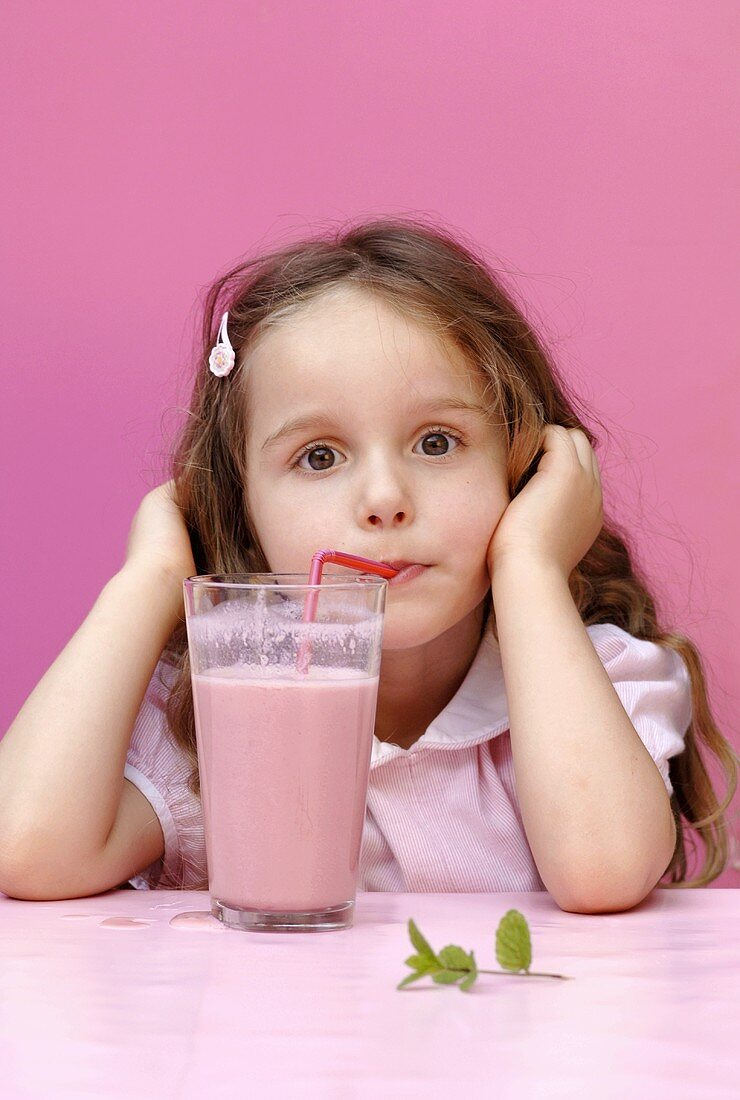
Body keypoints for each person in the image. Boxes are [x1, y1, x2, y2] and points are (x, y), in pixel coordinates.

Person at [1, 217, 737, 912]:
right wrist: (152, 581)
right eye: (319, 457)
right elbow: (27, 850)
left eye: (438, 442)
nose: (384, 501)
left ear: (525, 468)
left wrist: (530, 569)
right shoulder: (218, 713)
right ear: (242, 506)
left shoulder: (594, 679)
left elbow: (602, 870)